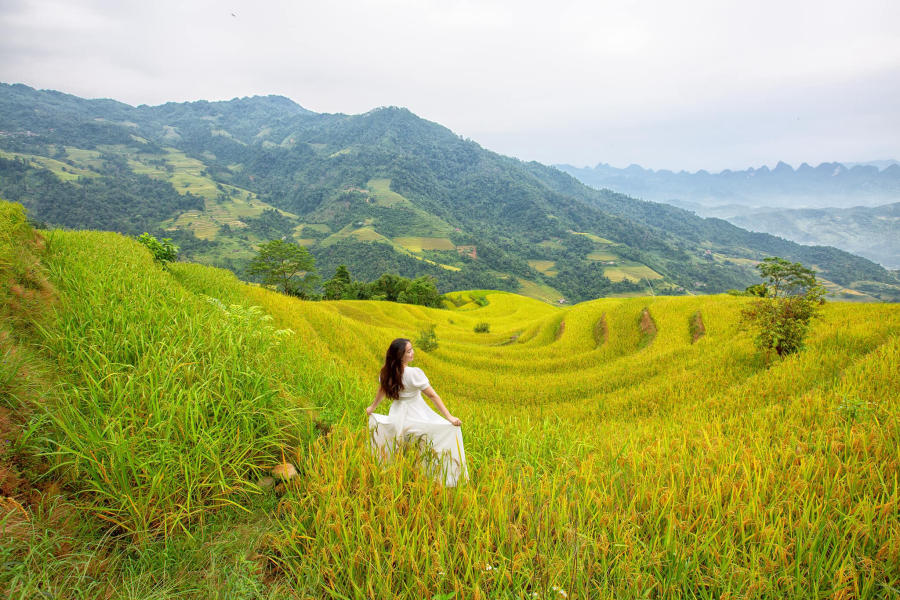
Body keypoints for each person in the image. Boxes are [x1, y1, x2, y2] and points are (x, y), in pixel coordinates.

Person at [366, 338, 468, 487]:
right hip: (416, 413)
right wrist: (449, 417)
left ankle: (405, 477)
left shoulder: (386, 372)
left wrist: (372, 407)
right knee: (427, 444)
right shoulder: (413, 373)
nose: (412, 353)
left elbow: (381, 390)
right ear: (400, 356)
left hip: (397, 414)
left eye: (412, 349)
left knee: (402, 446)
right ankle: (427, 478)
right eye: (409, 351)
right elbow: (432, 396)